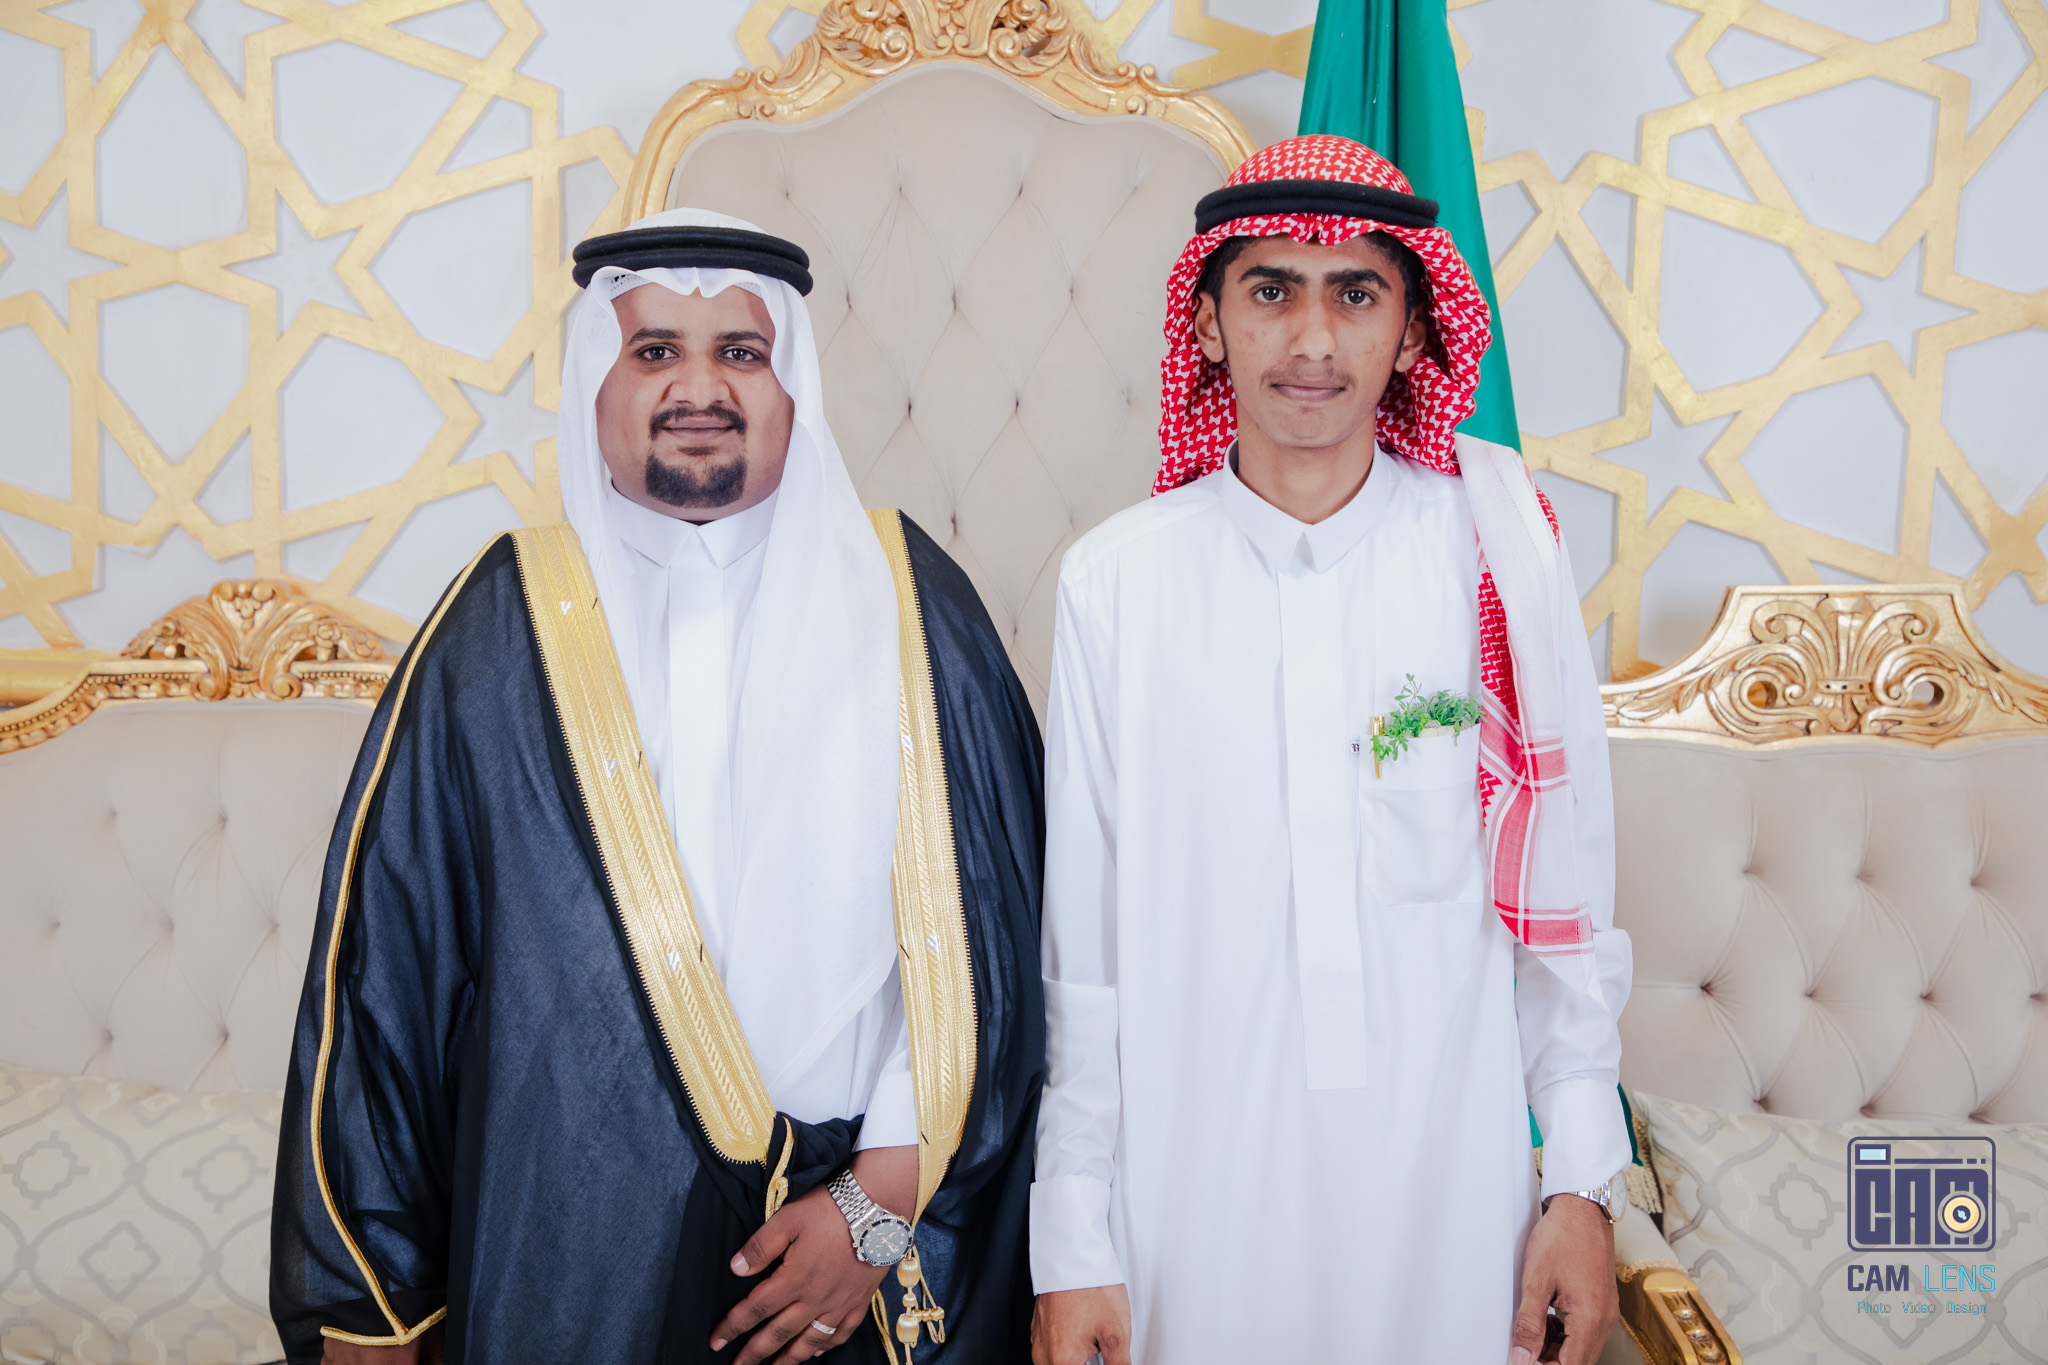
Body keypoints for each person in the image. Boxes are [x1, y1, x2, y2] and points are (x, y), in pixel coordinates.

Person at [270, 209, 1045, 1365]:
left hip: (870, 1261)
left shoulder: (908, 600)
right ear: (598, 382)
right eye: (654, 351)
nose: (698, 387)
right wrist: (367, 1304)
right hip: (578, 1248)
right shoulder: (500, 624)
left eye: (740, 352)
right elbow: (387, 982)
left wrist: (877, 1205)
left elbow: (1001, 937)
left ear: (790, 387)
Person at [1026, 136, 1633, 1365]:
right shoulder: (1116, 583)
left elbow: (1566, 911)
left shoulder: (1497, 555)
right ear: (1207, 324)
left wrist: (1579, 1186)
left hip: (1447, 1201)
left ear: (1412, 334)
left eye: (1355, 294)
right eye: (1271, 291)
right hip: (1191, 1202)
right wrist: (1071, 1243)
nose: (1311, 341)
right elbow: (1080, 958)